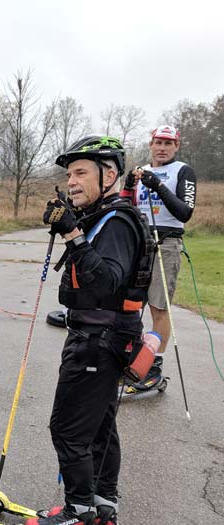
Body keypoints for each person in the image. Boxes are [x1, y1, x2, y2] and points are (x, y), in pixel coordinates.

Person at [31, 136, 151, 525]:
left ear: (110, 174)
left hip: (98, 341)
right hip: (107, 337)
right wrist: (72, 221)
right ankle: (103, 505)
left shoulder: (118, 221)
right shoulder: (107, 215)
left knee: (67, 429)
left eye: (81, 172)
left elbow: (106, 283)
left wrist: (71, 232)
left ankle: (79, 512)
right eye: (69, 174)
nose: (72, 181)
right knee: (99, 427)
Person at [120, 125, 196, 393]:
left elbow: (184, 211)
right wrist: (129, 187)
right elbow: (126, 207)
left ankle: (153, 366)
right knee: (130, 303)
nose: (162, 147)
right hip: (140, 242)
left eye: (168, 143)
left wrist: (159, 186)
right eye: (158, 142)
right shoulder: (141, 169)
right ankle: (131, 360)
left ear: (176, 146)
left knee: (158, 307)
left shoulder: (182, 171)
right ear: (150, 144)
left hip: (166, 243)